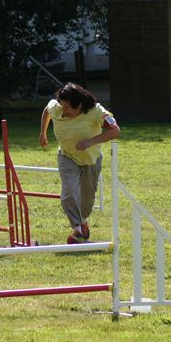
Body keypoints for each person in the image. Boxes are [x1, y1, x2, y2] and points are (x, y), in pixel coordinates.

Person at [38, 83, 121, 244]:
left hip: (91, 159)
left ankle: (83, 222)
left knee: (87, 201)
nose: (64, 111)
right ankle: (77, 228)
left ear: (80, 105)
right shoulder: (57, 108)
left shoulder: (96, 111)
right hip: (67, 156)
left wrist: (90, 142)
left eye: (68, 107)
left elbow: (115, 130)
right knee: (69, 192)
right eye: (62, 106)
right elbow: (47, 111)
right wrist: (43, 133)